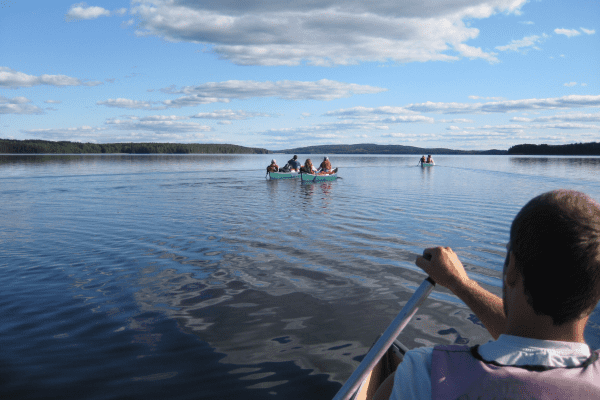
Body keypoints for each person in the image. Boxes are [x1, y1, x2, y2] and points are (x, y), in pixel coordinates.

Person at [374, 189, 600, 400]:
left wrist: (459, 283)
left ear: (511, 269)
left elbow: (530, 340)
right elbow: (538, 342)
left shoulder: (424, 374)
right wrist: (459, 283)